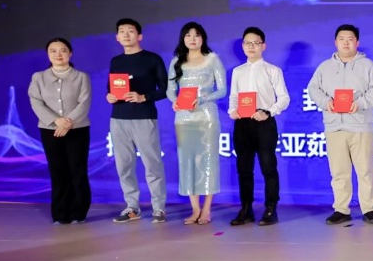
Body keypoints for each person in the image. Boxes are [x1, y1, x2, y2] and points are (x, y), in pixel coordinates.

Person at [308, 24, 373, 226]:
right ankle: (341, 209)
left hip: (361, 125)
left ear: (357, 42)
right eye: (341, 39)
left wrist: (360, 103)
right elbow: (313, 88)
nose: (346, 43)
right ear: (335, 42)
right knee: (339, 172)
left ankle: (369, 209)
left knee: (366, 171)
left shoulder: (368, 66)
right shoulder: (325, 67)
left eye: (350, 39)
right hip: (335, 126)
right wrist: (326, 102)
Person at [107, 18, 169, 223]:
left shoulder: (152, 59)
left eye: (130, 31)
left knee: (152, 164)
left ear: (139, 36)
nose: (126, 35)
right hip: (119, 118)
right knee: (123, 165)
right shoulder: (116, 61)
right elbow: (111, 88)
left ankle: (159, 208)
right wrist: (110, 96)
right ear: (117, 37)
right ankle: (132, 207)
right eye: (122, 31)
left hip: (144, 117)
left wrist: (144, 97)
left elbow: (166, 89)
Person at [228, 27, 290, 227]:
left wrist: (268, 112)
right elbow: (234, 96)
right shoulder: (238, 71)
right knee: (244, 168)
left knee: (268, 167)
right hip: (242, 123)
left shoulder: (273, 70)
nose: (251, 46)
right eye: (247, 43)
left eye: (256, 43)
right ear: (242, 46)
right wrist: (232, 110)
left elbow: (284, 98)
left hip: (264, 122)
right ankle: (246, 208)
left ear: (264, 46)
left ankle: (271, 208)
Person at [166, 22, 227, 225]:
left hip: (206, 117)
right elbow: (170, 90)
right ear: (183, 38)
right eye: (188, 35)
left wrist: (202, 99)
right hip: (183, 118)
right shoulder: (176, 61)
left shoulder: (213, 59)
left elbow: (222, 90)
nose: (192, 39)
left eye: (197, 35)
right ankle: (195, 209)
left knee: (208, 161)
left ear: (203, 38)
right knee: (187, 162)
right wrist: (174, 101)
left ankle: (207, 210)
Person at [28, 38, 92, 225]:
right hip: (50, 130)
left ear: (70, 53)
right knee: (57, 171)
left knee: (77, 170)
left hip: (78, 129)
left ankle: (78, 212)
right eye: (53, 51)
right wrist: (56, 121)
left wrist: (67, 123)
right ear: (48, 55)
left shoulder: (81, 77)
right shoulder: (39, 77)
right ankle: (60, 213)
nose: (58, 54)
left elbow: (85, 102)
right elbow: (36, 101)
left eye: (63, 50)